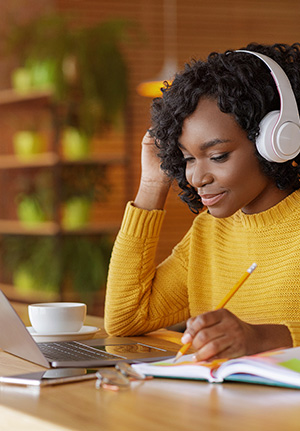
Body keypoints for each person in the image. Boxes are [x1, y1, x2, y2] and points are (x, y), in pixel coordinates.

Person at [104, 42, 300, 361]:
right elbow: (125, 318)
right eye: (187, 159)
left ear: (277, 141)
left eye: (217, 156)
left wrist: (264, 337)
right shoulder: (208, 234)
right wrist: (153, 183)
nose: (196, 178)